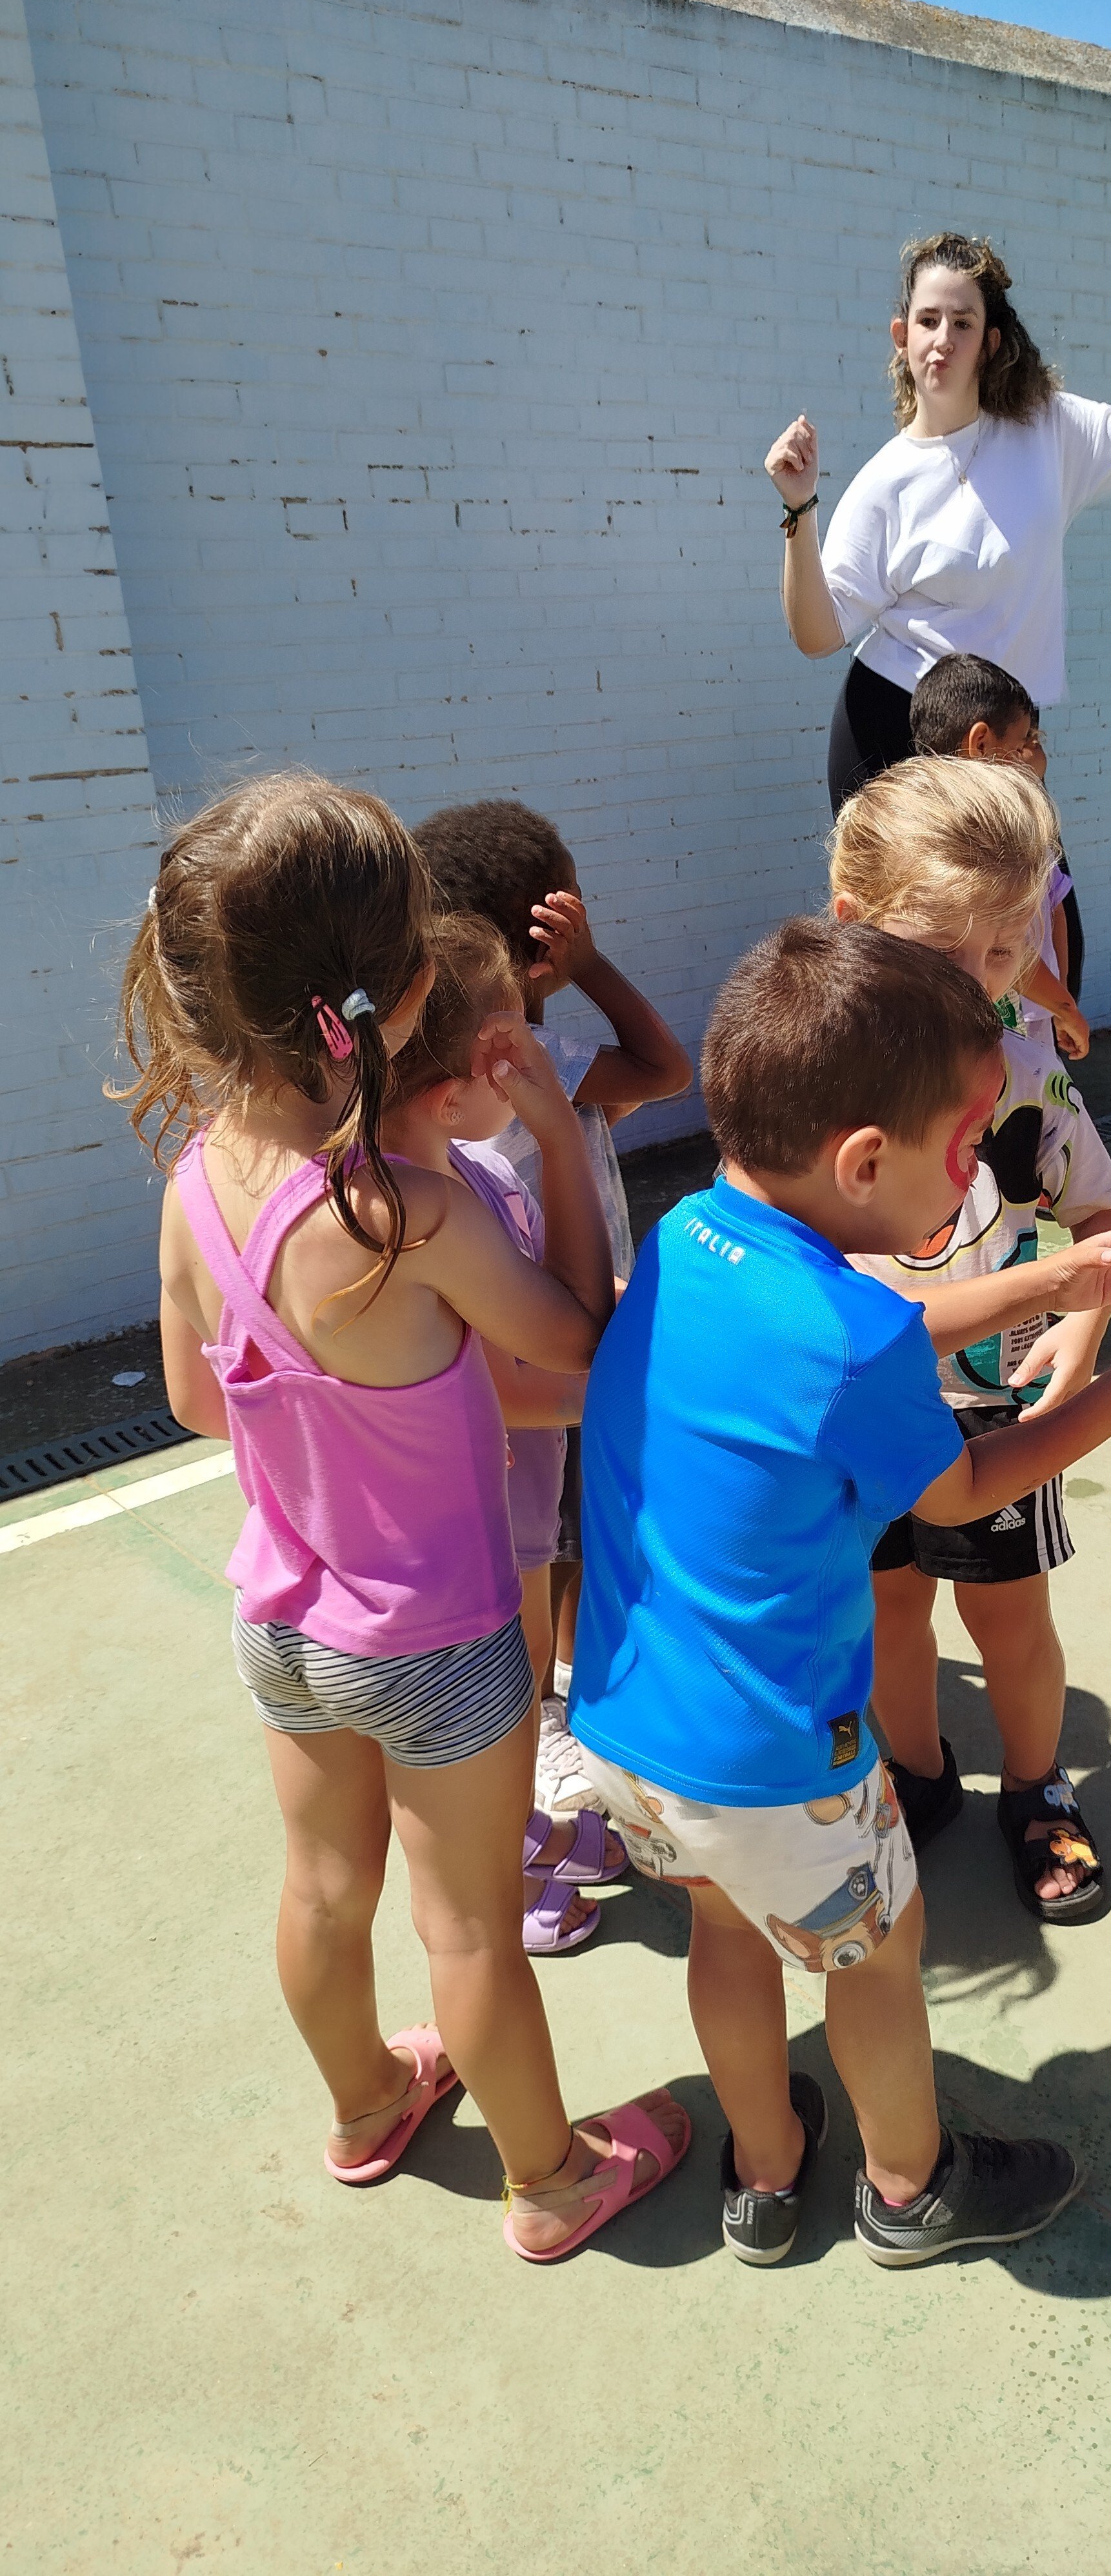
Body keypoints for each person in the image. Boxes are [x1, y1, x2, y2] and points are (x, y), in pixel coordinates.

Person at [565, 916, 1111, 2264]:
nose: (976, 1166)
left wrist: (1043, 1282)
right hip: (783, 1762)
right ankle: (908, 2182)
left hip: (629, 1730)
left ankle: (763, 2177)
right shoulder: (858, 1332)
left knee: (723, 1931)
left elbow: (834, 1347)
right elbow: (957, 1486)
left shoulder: (691, 1235)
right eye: (966, 1141)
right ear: (865, 1162)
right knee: (872, 1956)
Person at [119, 775, 688, 2260]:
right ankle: (552, 2177)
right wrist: (560, 1137)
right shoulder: (404, 1212)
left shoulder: (197, 1185)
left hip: (279, 1616)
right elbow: (574, 1348)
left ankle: (368, 2098)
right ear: (410, 985)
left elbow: (195, 1400)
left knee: (321, 1882)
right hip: (432, 1635)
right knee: (467, 1929)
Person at [830, 760, 1111, 1921]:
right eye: (947, 949)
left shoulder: (1020, 1059)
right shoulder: (810, 1060)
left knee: (1006, 1614)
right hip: (854, 1406)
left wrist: (1080, 1330)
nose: (980, 982)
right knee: (889, 1608)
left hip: (987, 1404)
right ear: (857, 925)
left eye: (1006, 950)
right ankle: (917, 1777)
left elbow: (1102, 1214)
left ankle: (1035, 1785)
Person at [412, 799, 692, 1814]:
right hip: (551, 1361)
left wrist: (583, 972)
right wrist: (588, 970)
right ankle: (536, 1737)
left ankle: (566, 1695)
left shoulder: (540, 1057)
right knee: (543, 1541)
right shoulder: (506, 1090)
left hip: (581, 1339)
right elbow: (666, 1068)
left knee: (573, 1533)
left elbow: (667, 1073)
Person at [383, 913, 628, 1952]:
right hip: (479, 1508)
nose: (532, 1056)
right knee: (505, 1690)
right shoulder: (422, 1214)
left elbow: (566, 1304)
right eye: (513, 1043)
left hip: (520, 1491)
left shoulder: (475, 1174)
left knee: (522, 1683)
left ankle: (522, 1828)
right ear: (460, 1080)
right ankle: (503, 1876)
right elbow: (514, 1377)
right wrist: (623, 1385)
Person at [764, 231, 1111, 812]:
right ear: (901, 337)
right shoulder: (883, 483)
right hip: (897, 736)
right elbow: (817, 635)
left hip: (1004, 741)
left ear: (990, 343)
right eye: (928, 320)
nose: (943, 340)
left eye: (962, 323)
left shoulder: (1045, 429)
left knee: (1049, 902)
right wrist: (798, 507)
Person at [907, 651, 1086, 1057]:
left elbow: (1054, 911)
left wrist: (1060, 999)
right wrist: (1064, 1005)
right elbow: (1006, 949)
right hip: (990, 1028)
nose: (1030, 756)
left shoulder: (912, 825)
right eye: (1022, 743)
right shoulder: (976, 843)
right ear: (982, 744)